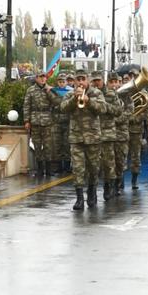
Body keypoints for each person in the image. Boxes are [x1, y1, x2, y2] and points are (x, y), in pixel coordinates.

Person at [60, 70, 106, 210]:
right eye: (78, 79)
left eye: (83, 79)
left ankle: (92, 191)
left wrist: (89, 101)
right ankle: (79, 198)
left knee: (93, 167)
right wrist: (74, 99)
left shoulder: (96, 93)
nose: (80, 82)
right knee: (77, 168)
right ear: (74, 81)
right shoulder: (70, 94)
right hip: (76, 137)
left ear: (88, 80)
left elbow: (103, 109)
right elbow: (63, 108)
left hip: (93, 136)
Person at [92, 71, 123, 201]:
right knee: (93, 164)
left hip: (107, 133)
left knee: (108, 163)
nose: (96, 83)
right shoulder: (89, 94)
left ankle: (108, 187)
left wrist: (104, 107)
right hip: (92, 133)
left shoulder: (111, 94)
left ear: (102, 80)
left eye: (98, 80)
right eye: (94, 81)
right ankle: (92, 190)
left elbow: (118, 111)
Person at [23, 71, 59, 177]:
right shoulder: (31, 90)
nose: (43, 79)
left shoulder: (50, 89)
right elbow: (26, 105)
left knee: (48, 146)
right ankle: (39, 169)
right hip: (35, 120)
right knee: (37, 145)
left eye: (44, 77)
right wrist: (27, 121)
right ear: (36, 78)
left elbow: (57, 102)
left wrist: (49, 92)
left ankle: (48, 169)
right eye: (40, 77)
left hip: (47, 120)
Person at [110, 72, 131, 195]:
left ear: (120, 82)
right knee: (109, 161)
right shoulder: (105, 95)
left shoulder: (125, 95)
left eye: (116, 82)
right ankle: (111, 185)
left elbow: (129, 110)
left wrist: (116, 119)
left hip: (121, 133)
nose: (114, 85)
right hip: (107, 133)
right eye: (112, 82)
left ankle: (119, 183)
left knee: (120, 160)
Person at [126, 70, 145, 190]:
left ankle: (134, 179)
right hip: (123, 129)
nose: (133, 78)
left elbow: (146, 111)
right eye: (131, 76)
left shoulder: (143, 93)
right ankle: (119, 181)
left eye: (135, 76)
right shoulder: (124, 91)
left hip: (136, 129)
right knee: (121, 156)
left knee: (135, 156)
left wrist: (133, 118)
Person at [51, 73, 73, 174]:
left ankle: (67, 166)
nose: (61, 83)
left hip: (67, 122)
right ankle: (59, 167)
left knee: (67, 144)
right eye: (60, 82)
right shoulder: (53, 92)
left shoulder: (70, 92)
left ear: (66, 82)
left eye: (63, 82)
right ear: (57, 82)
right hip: (56, 122)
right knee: (57, 144)